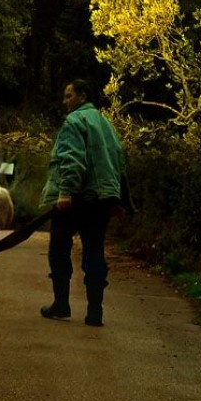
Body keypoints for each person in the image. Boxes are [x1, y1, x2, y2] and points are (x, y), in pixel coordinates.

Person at [39, 79, 125, 326]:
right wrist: (119, 199)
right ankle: (95, 311)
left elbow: (72, 159)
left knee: (58, 247)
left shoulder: (74, 122)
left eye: (69, 96)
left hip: (77, 198)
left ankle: (61, 303)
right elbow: (119, 162)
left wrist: (65, 192)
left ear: (82, 96)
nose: (65, 101)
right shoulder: (106, 124)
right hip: (101, 200)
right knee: (94, 250)